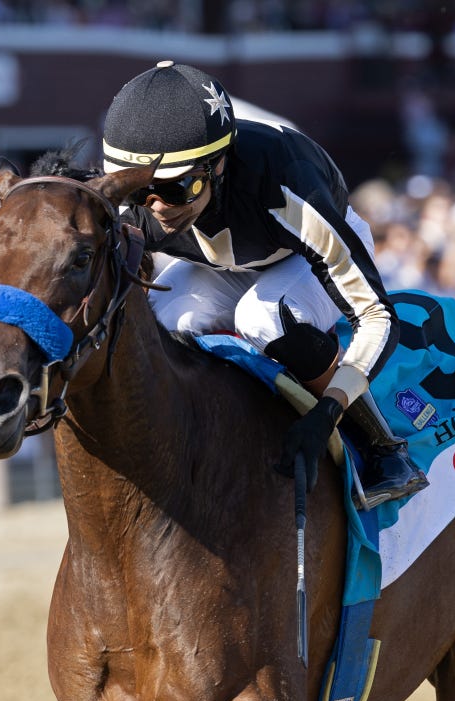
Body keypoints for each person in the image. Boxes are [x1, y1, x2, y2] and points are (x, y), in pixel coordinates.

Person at [101, 60, 428, 509]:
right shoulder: (132, 207)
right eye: (140, 191)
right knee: (161, 318)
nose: (157, 208)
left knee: (263, 317)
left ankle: (384, 448)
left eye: (177, 189)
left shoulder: (286, 185)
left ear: (218, 165)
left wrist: (328, 412)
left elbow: (377, 316)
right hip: (225, 263)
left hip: (303, 255)